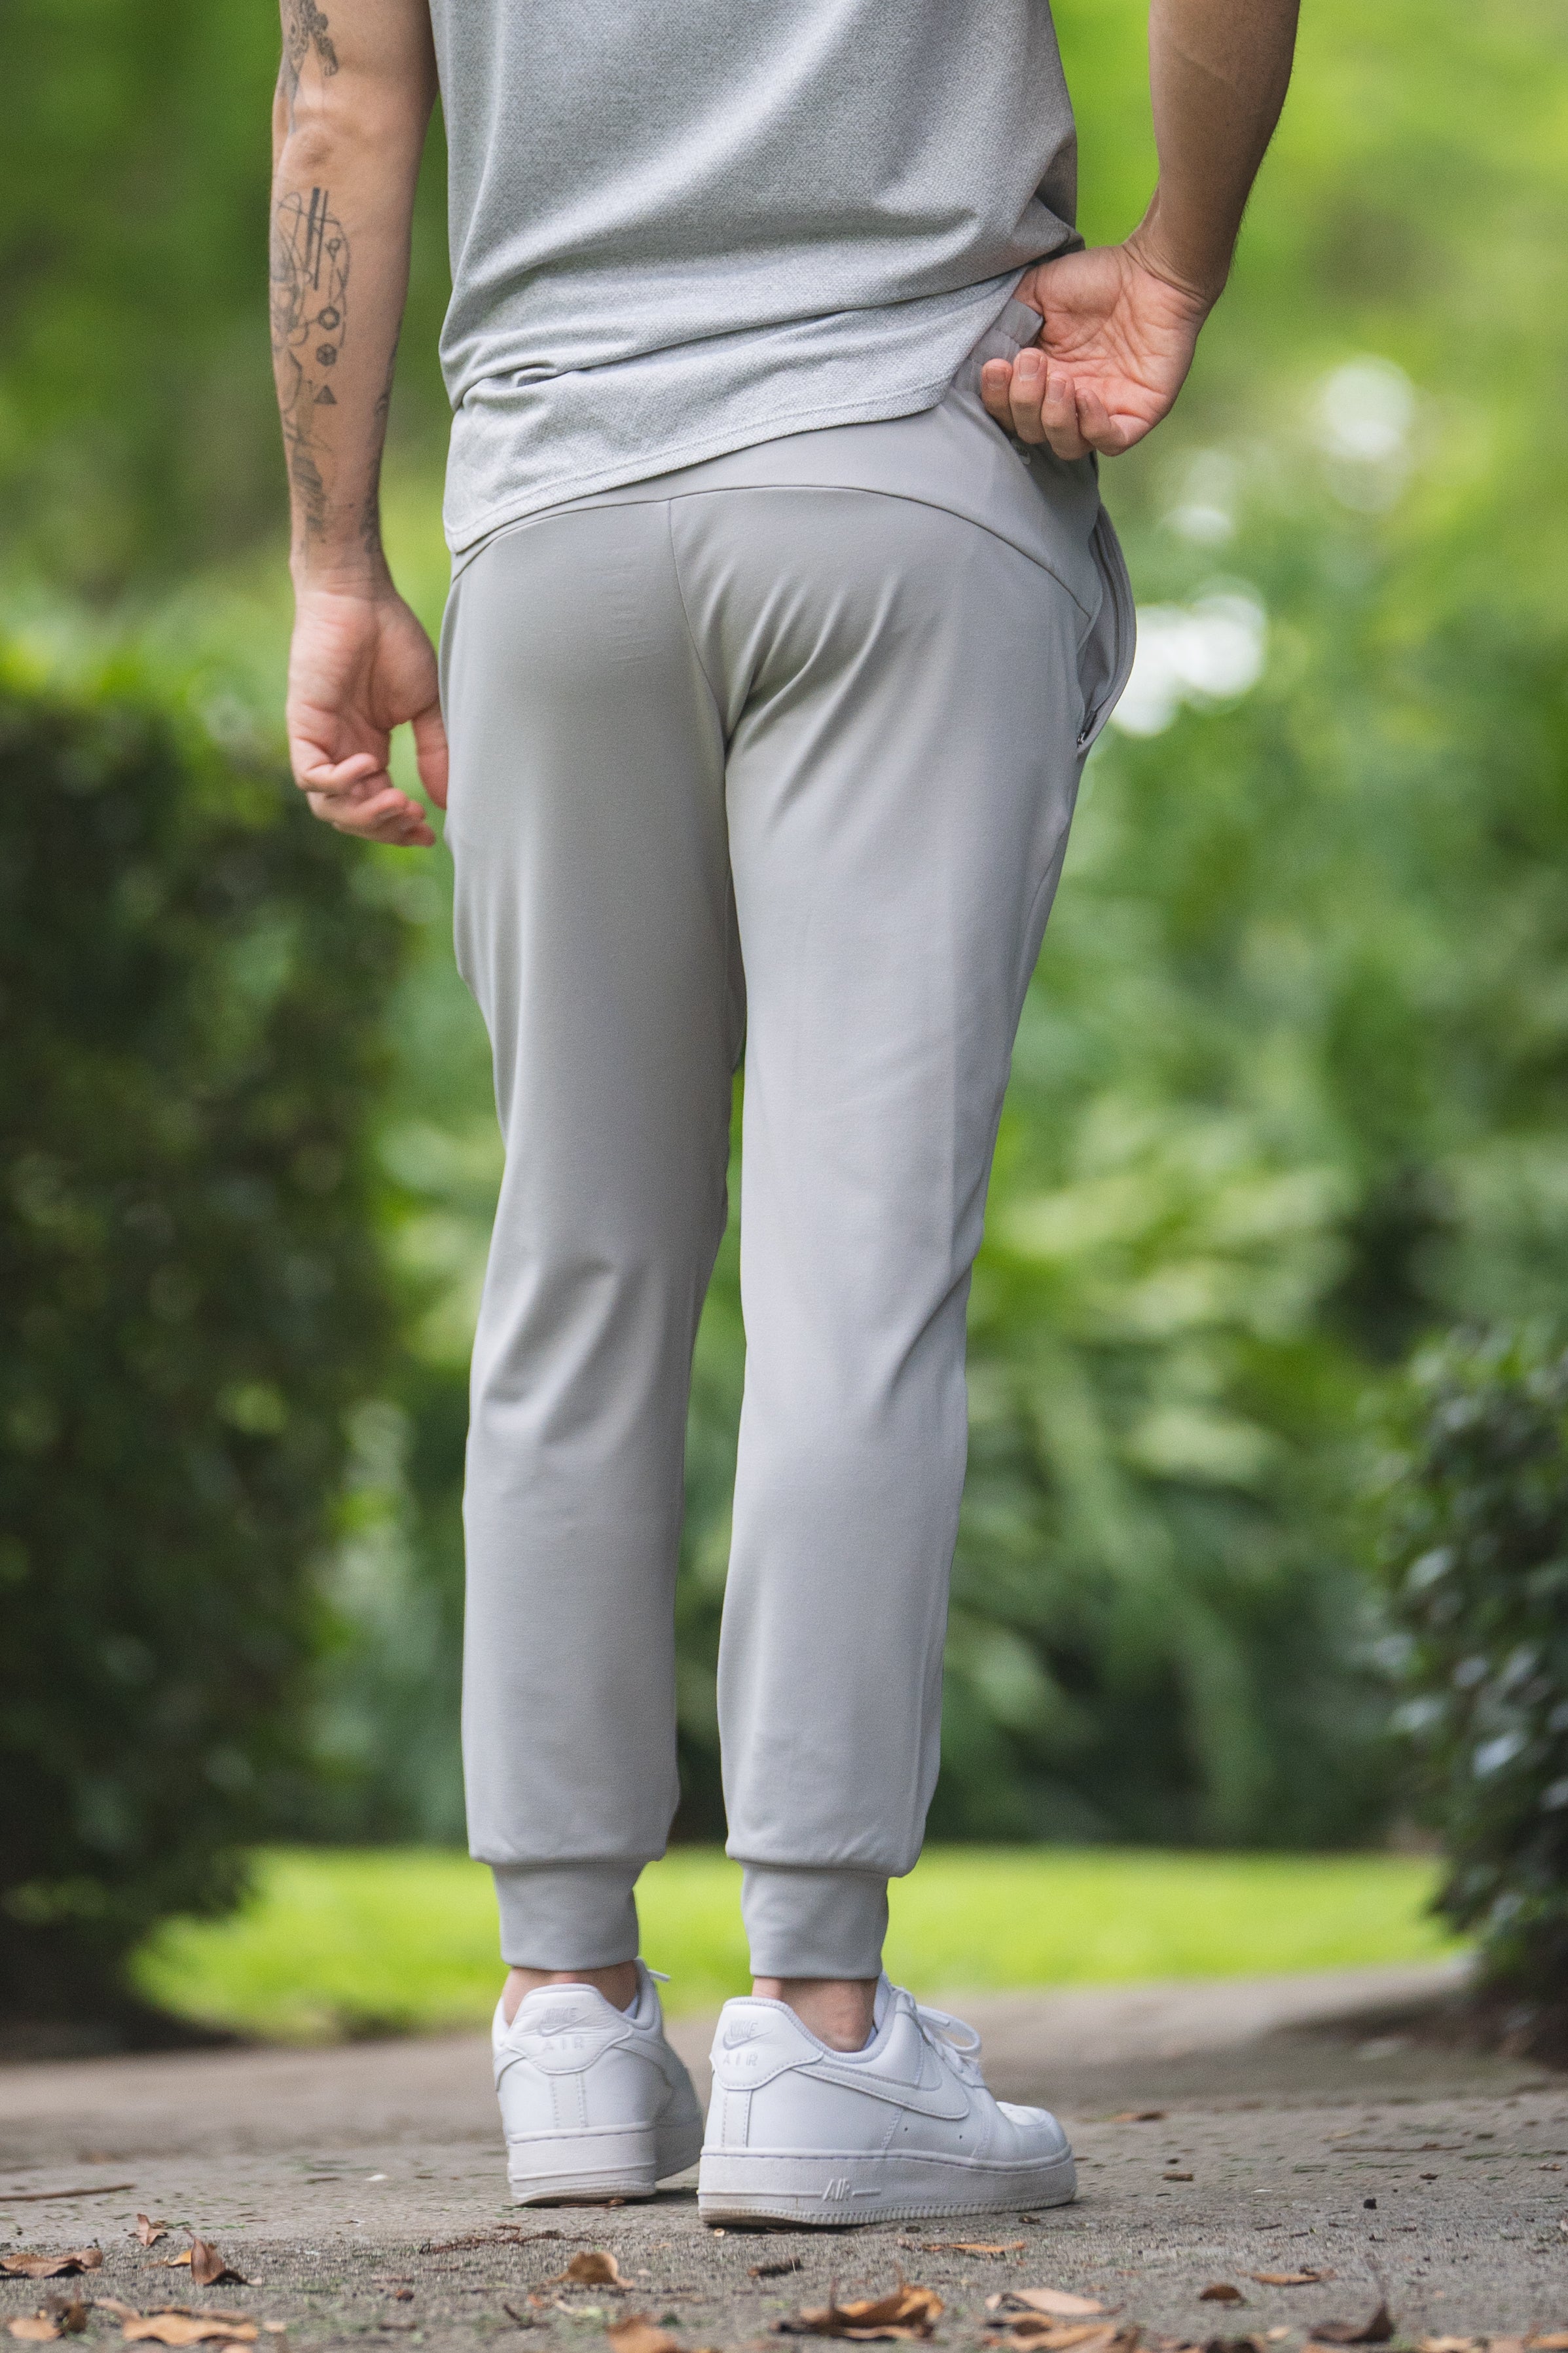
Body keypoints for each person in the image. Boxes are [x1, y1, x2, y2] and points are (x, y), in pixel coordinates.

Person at [271, 0, 1297, 2224]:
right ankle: (821, 2033)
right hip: (904, 460)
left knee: (577, 1262)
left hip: (555, 511)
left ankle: (565, 2012)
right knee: (854, 1275)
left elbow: (344, 88)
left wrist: (336, 566)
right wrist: (1176, 265)